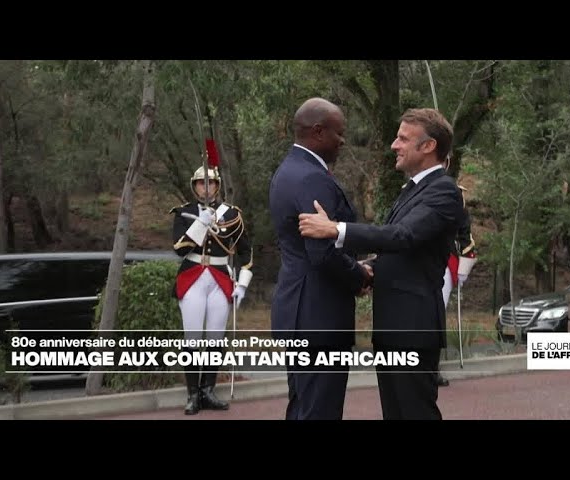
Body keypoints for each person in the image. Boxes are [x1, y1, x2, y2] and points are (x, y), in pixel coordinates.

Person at [298, 108, 465, 420]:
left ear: (428, 147)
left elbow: (402, 236)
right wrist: (367, 270)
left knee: (415, 413)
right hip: (393, 327)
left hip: (413, 328)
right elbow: (402, 253)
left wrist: (335, 229)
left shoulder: (443, 189)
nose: (394, 145)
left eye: (403, 138)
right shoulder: (414, 188)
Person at [269, 97, 372, 420]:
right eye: (338, 133)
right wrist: (359, 275)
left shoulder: (288, 170)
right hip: (319, 315)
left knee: (301, 406)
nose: (342, 141)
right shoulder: (313, 178)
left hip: (299, 312)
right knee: (319, 411)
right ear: (318, 131)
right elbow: (322, 251)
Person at [170, 165, 254, 414]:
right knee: (193, 338)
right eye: (200, 184)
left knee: (216, 339)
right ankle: (192, 395)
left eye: (210, 183)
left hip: (220, 277)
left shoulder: (232, 215)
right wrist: (200, 225)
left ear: (217, 186)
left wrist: (243, 284)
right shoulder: (183, 213)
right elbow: (180, 249)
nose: (205, 188)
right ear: (194, 186)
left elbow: (245, 252)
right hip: (193, 277)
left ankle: (208, 390)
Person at [438, 184, 478, 387]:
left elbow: (464, 232)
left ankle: (431, 367)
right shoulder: (409, 188)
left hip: (443, 261)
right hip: (412, 261)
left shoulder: (453, 193)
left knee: (435, 312)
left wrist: (465, 262)